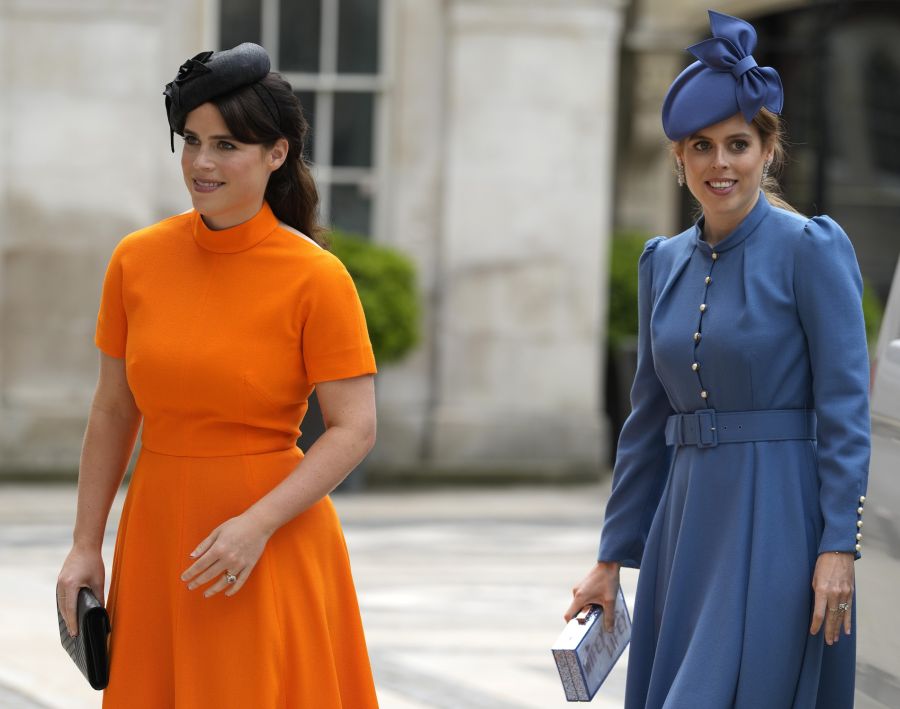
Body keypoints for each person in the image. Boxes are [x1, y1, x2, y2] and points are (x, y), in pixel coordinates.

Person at [56, 43, 380, 708]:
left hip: (271, 540)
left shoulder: (317, 276)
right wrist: (85, 544)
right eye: (192, 141)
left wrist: (256, 524)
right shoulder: (136, 261)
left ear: (277, 154)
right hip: (157, 533)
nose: (202, 163)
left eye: (227, 144)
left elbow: (355, 429)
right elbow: (114, 410)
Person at [566, 11, 869, 708]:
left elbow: (846, 411)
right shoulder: (660, 264)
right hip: (687, 529)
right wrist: (611, 558)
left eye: (737, 143)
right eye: (700, 146)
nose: (719, 163)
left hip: (781, 527)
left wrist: (836, 548)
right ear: (678, 159)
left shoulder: (811, 249)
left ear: (769, 150)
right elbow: (646, 421)